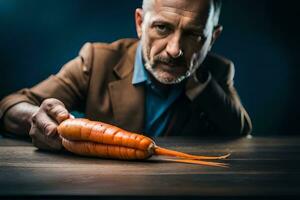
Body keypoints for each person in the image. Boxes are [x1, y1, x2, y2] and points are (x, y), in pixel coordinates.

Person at [0, 0, 252, 151]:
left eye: (194, 34)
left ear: (213, 38)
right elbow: (11, 105)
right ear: (140, 23)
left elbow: (240, 131)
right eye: (162, 28)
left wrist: (199, 85)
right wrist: (36, 117)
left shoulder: (217, 72)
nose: (175, 50)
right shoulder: (97, 60)